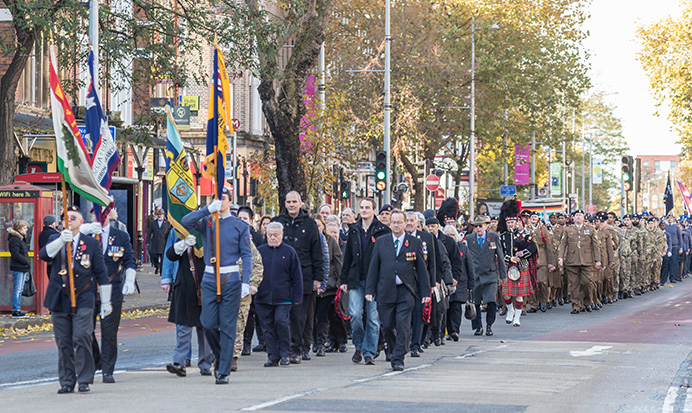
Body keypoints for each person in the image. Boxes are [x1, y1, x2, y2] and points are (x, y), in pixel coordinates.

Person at [181, 188, 253, 384]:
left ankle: (223, 372)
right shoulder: (208, 222)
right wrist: (206, 209)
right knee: (209, 324)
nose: (219, 202)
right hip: (210, 279)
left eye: (223, 199)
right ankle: (221, 357)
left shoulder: (239, 226)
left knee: (228, 326)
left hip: (230, 278)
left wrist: (246, 281)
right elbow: (186, 221)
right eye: (216, 199)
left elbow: (247, 254)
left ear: (230, 202)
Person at [39, 205, 112, 394]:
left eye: (73, 217)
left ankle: (85, 378)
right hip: (59, 297)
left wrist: (105, 301)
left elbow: (101, 273)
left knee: (81, 336)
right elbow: (44, 255)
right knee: (63, 342)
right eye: (66, 218)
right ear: (62, 222)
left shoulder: (91, 243)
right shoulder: (55, 239)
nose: (69, 221)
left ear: (81, 222)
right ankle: (67, 381)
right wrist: (61, 242)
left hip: (84, 297)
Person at [365, 210, 431, 371]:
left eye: (399, 222)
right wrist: (369, 290)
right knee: (387, 325)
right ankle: (395, 348)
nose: (396, 225)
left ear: (405, 224)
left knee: (402, 324)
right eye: (393, 222)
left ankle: (398, 358)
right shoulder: (381, 242)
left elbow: (422, 270)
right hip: (385, 290)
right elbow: (374, 267)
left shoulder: (414, 242)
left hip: (406, 291)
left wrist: (426, 292)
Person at [80, 212, 137, 384]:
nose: (100, 216)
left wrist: (130, 279)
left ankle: (107, 370)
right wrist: (85, 230)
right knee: (85, 331)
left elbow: (129, 260)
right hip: (87, 289)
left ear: (110, 214)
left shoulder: (120, 236)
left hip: (112, 289)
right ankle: (96, 358)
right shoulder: (84, 235)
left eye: (104, 212)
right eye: (96, 212)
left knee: (109, 333)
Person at [271, 191, 324, 363]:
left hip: (303, 276)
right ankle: (284, 346)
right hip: (281, 277)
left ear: (300, 203)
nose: (291, 205)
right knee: (281, 316)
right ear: (285, 203)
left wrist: (318, 278)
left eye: (295, 201)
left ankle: (299, 347)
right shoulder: (278, 222)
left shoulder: (309, 224)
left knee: (300, 316)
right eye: (288, 202)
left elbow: (317, 253)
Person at [341, 198, 390, 365]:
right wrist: (344, 279)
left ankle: (369, 351)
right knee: (354, 314)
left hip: (375, 281)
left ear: (374, 210)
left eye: (367, 207)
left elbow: (386, 257)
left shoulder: (383, 230)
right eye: (361, 207)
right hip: (356, 278)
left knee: (373, 318)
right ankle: (359, 346)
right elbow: (347, 256)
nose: (364, 210)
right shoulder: (353, 229)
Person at [163, 232, 213, 378]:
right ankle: (179, 362)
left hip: (206, 286)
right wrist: (183, 244)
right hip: (185, 286)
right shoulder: (184, 236)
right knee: (184, 327)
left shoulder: (210, 237)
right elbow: (170, 255)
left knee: (205, 328)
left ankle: (205, 364)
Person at [256, 222, 303, 367]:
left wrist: (297, 297)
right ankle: (272, 356)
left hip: (283, 297)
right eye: (270, 235)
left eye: (276, 235)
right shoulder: (260, 251)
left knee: (281, 322)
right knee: (267, 327)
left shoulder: (289, 252)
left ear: (281, 235)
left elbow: (297, 276)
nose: (272, 238)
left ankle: (286, 353)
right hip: (263, 297)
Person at [233, 206, 264, 371]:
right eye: (239, 218)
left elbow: (257, 264)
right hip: (226, 285)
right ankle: (219, 353)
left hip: (243, 289)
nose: (242, 222)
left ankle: (233, 356)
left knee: (239, 323)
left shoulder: (249, 242)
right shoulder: (227, 237)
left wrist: (253, 284)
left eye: (245, 219)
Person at [467, 216, 506, 336]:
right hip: (475, 275)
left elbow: (500, 256)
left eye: (480, 225)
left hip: (490, 275)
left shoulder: (493, 237)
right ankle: (478, 327)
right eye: (476, 226)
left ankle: (489, 325)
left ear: (486, 226)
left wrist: (503, 275)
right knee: (476, 303)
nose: (478, 228)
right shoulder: (469, 239)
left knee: (491, 301)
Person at [558, 210, 601, 314]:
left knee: (587, 282)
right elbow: (563, 244)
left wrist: (598, 260)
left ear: (583, 218)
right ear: (573, 218)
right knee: (574, 285)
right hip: (572, 260)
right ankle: (576, 305)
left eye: (580, 215)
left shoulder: (590, 229)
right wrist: (560, 258)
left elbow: (596, 245)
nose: (578, 217)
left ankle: (587, 301)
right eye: (576, 215)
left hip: (587, 260)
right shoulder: (568, 229)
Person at [314, 214, 343, 356]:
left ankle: (321, 343)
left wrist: (340, 282)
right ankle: (311, 341)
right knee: (310, 316)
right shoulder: (307, 241)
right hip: (311, 285)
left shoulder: (330, 241)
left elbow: (338, 261)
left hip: (328, 286)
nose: (316, 228)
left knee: (322, 315)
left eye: (319, 225)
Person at [500, 215, 536, 327]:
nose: (511, 224)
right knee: (506, 294)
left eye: (513, 222)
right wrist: (510, 258)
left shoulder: (524, 235)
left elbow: (533, 248)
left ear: (517, 223)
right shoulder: (502, 237)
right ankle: (510, 310)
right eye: (509, 222)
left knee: (519, 295)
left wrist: (523, 253)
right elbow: (499, 252)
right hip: (508, 266)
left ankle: (517, 318)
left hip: (521, 266)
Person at [443, 224, 474, 340]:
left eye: (452, 234)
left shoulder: (463, 248)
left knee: (456, 307)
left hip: (460, 282)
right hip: (446, 282)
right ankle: (448, 330)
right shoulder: (442, 247)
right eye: (447, 234)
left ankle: (455, 330)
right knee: (447, 308)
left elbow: (469, 266)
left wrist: (471, 284)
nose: (450, 237)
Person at [9, 220, 31, 318]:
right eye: (24, 228)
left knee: (20, 289)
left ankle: (17, 309)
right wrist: (25, 261)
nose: (26, 230)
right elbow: (15, 254)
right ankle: (16, 310)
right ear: (19, 229)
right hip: (18, 267)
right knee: (17, 289)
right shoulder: (14, 239)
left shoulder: (20, 238)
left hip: (22, 267)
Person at [147, 209, 171, 275]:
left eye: (161, 214)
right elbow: (149, 232)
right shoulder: (153, 223)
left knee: (163, 257)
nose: (160, 216)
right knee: (154, 255)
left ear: (163, 215)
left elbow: (169, 233)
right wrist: (148, 241)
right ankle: (157, 266)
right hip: (155, 242)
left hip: (163, 242)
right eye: (159, 214)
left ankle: (161, 271)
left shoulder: (167, 223)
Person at [38, 215, 60, 281]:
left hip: (47, 260)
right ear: (52, 223)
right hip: (56, 261)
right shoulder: (55, 234)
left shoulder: (41, 234)